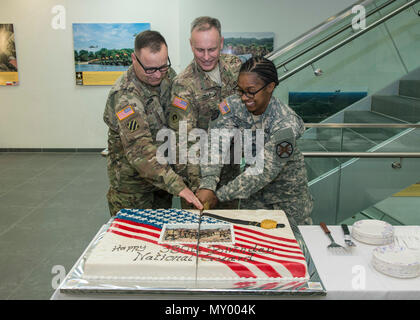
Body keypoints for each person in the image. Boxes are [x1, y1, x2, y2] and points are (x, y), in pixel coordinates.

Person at [196, 56, 314, 225]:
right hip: (252, 198)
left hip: (287, 203)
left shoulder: (285, 124)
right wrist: (208, 183)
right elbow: (216, 144)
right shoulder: (233, 107)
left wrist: (218, 196)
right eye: (240, 90)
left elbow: (263, 170)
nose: (244, 97)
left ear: (270, 87)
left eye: (251, 91)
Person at [103, 30, 203, 216]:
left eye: (162, 67)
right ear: (134, 59)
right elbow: (140, 151)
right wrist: (179, 186)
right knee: (133, 239)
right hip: (133, 189)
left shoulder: (168, 75)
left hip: (162, 180)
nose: (157, 75)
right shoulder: (125, 96)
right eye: (150, 69)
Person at [166, 16, 242, 208]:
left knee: (231, 228)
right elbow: (184, 140)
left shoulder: (235, 67)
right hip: (198, 175)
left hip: (231, 173)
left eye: (212, 49)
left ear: (221, 43)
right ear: (191, 45)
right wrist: (201, 186)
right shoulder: (184, 85)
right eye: (200, 50)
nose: (206, 56)